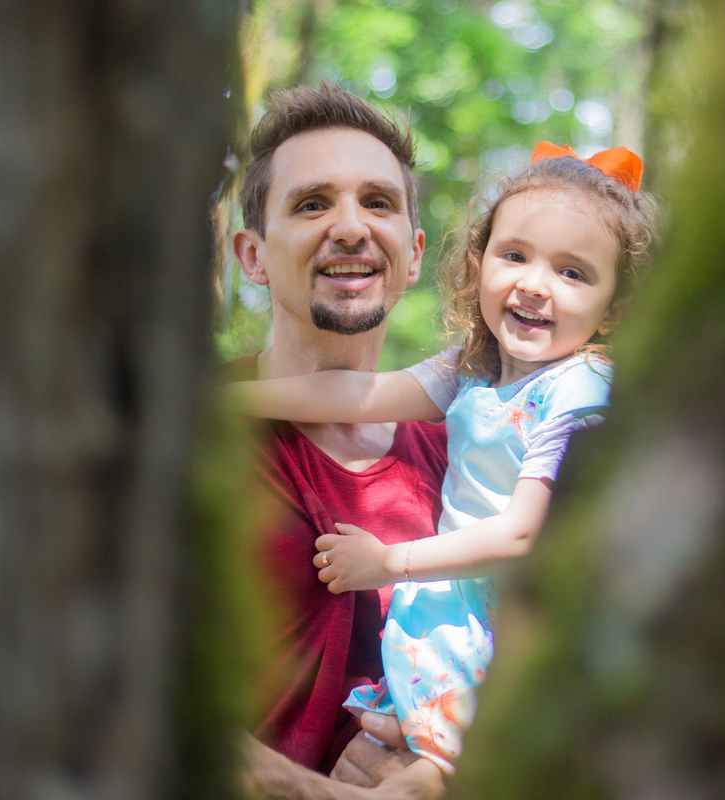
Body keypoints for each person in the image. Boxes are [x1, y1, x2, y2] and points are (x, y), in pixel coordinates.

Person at [227, 141, 657, 777]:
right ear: (480, 265)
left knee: (443, 763)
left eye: (572, 273)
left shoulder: (578, 391)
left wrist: (388, 562)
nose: (534, 285)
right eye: (515, 256)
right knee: (384, 748)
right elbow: (356, 394)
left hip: (510, 622)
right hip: (451, 613)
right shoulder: (473, 368)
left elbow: (524, 532)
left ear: (614, 305)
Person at [227, 83, 447, 799]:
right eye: (312, 203)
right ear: (253, 256)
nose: (351, 227)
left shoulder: (467, 453)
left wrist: (435, 771)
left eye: (378, 202)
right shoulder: (186, 435)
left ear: (412, 255)